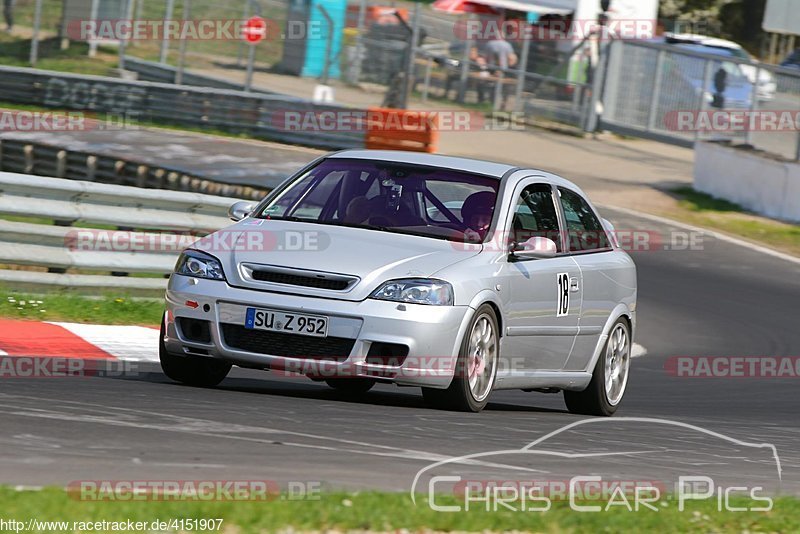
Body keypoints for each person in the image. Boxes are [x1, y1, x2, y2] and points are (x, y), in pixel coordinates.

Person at [485, 32, 518, 109]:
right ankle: (503, 102)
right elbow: (511, 58)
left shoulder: (489, 43)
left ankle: (491, 102)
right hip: (504, 68)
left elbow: (486, 56)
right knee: (505, 85)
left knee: (492, 84)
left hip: (491, 67)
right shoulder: (507, 45)